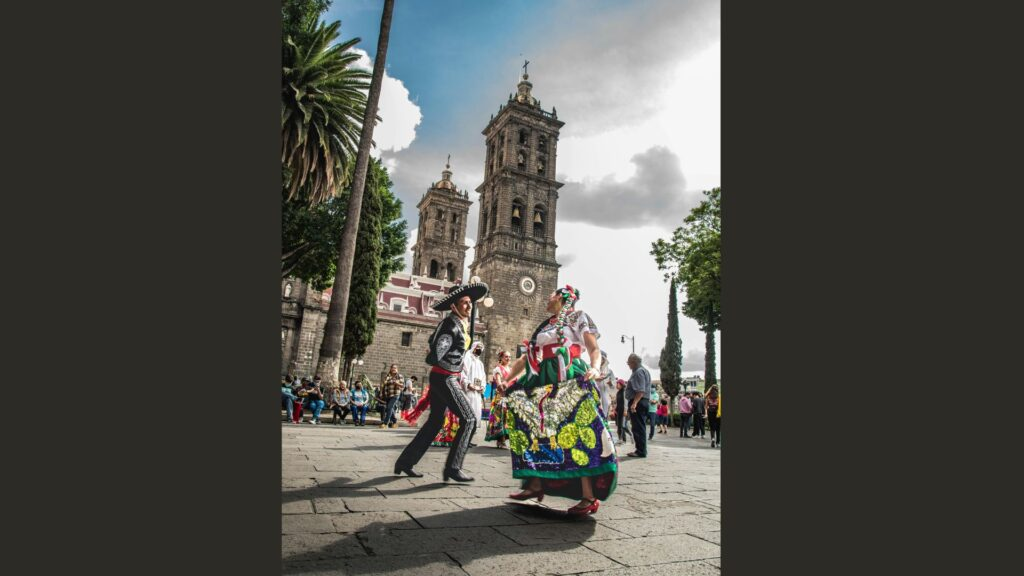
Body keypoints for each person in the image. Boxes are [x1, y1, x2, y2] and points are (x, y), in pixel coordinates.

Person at [501, 286, 618, 515]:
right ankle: (534, 484)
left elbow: (593, 347)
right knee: (534, 431)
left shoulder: (577, 317)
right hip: (542, 379)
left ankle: (588, 495)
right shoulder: (545, 325)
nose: (548, 297)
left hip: (568, 377)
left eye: (552, 295)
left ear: (564, 298)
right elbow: (528, 358)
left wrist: (594, 368)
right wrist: (508, 379)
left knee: (577, 432)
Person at [393, 281, 490, 482]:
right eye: (464, 303)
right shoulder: (451, 325)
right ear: (454, 306)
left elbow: (434, 344)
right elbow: (435, 354)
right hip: (446, 377)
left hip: (443, 377)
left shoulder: (457, 323)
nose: (469, 306)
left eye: (470, 302)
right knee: (469, 419)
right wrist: (442, 358)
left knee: (435, 422)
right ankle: (453, 468)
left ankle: (405, 462)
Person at [485, 350, 513, 449]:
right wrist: (502, 389)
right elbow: (498, 382)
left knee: (507, 418)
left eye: (509, 357)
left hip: (509, 396)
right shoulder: (498, 369)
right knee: (500, 418)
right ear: (501, 358)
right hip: (501, 396)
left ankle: (503, 440)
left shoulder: (510, 369)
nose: (508, 358)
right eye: (506, 356)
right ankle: (500, 441)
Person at [625, 353, 651, 457]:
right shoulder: (643, 371)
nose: (628, 365)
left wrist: (634, 403)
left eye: (629, 363)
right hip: (642, 401)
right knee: (639, 427)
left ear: (634, 362)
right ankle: (640, 450)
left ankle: (640, 451)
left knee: (638, 427)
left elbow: (640, 391)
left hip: (639, 402)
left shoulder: (638, 372)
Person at [462, 342, 487, 446]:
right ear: (473, 348)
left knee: (476, 415)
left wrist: (482, 387)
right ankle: (463, 439)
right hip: (468, 392)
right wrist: (467, 384)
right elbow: (463, 373)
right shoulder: (467, 358)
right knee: (468, 415)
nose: (479, 349)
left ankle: (468, 439)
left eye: (481, 348)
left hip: (477, 393)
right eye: (478, 347)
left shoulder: (480, 363)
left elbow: (483, 378)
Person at [380, 364, 405, 429]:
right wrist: (382, 393)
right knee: (390, 409)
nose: (394, 369)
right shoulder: (387, 376)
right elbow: (384, 385)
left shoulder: (400, 376)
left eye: (395, 368)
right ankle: (394, 423)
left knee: (389, 408)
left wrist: (396, 383)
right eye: (392, 368)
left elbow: (403, 386)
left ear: (397, 369)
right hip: (388, 395)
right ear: (390, 369)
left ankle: (385, 424)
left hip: (395, 394)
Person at [611, 378, 631, 444]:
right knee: (619, 425)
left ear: (621, 384)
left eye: (618, 384)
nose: (616, 385)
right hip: (619, 411)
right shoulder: (618, 392)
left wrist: (625, 410)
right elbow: (617, 402)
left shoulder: (624, 392)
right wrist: (615, 410)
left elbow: (625, 402)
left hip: (623, 411)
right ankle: (622, 439)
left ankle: (623, 439)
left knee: (622, 425)